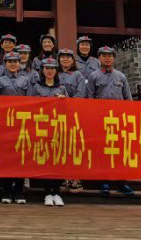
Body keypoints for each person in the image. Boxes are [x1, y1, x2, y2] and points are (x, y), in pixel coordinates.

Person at [86, 46, 133, 197]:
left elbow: (128, 98)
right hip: (101, 120)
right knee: (103, 151)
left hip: (119, 120)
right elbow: (89, 99)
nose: (107, 58)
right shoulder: (93, 76)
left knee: (120, 151)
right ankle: (104, 181)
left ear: (113, 58)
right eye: (104, 55)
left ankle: (122, 182)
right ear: (99, 58)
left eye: (110, 56)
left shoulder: (121, 76)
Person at [29, 57, 68, 206]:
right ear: (42, 70)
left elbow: (69, 108)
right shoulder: (36, 87)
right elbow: (30, 106)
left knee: (56, 160)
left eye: (52, 68)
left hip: (57, 127)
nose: (49, 71)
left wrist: (63, 100)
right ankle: (47, 193)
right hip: (41, 126)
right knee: (45, 159)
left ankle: (56, 192)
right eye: (47, 68)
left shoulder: (62, 88)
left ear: (56, 71)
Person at [0, 51, 29, 204]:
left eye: (15, 61)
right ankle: (7, 190)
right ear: (5, 64)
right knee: (6, 157)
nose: (13, 64)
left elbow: (30, 101)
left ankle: (19, 190)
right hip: (5, 122)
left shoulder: (26, 80)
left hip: (21, 122)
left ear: (19, 64)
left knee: (21, 156)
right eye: (10, 62)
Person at [57, 47, 85, 193]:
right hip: (56, 116)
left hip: (73, 115)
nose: (65, 59)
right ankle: (63, 177)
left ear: (73, 60)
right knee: (60, 146)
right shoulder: (54, 72)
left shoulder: (78, 75)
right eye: (62, 57)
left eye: (68, 57)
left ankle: (75, 178)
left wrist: (67, 102)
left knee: (74, 146)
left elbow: (80, 95)